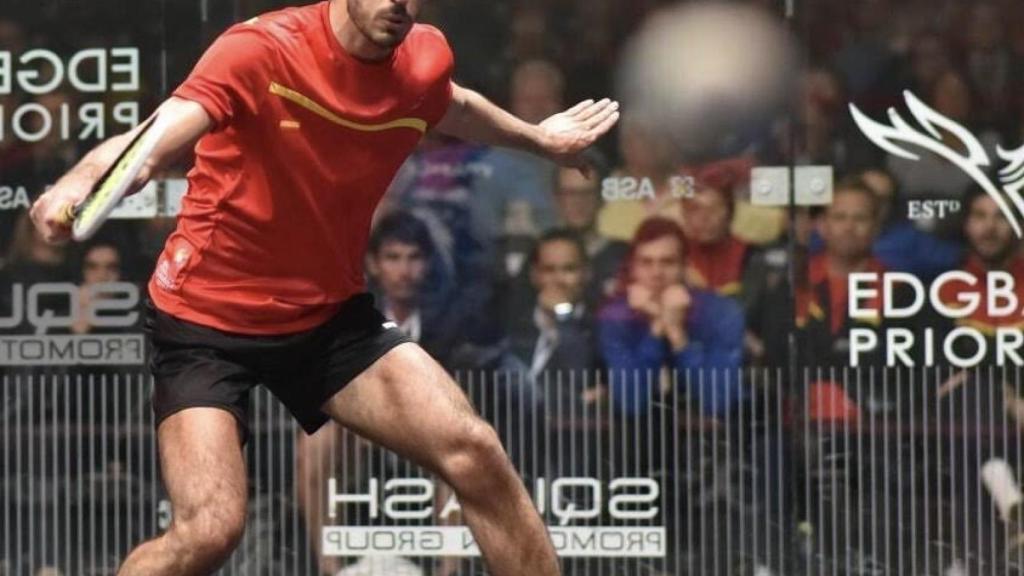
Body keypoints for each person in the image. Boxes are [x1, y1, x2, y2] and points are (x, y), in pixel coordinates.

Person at [30, 2, 619, 575]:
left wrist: (539, 139)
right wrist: (78, 184)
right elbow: (151, 141)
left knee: (474, 451)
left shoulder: (423, 58)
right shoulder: (259, 50)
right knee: (209, 529)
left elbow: (452, 104)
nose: (399, 3)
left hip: (327, 319)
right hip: (205, 324)